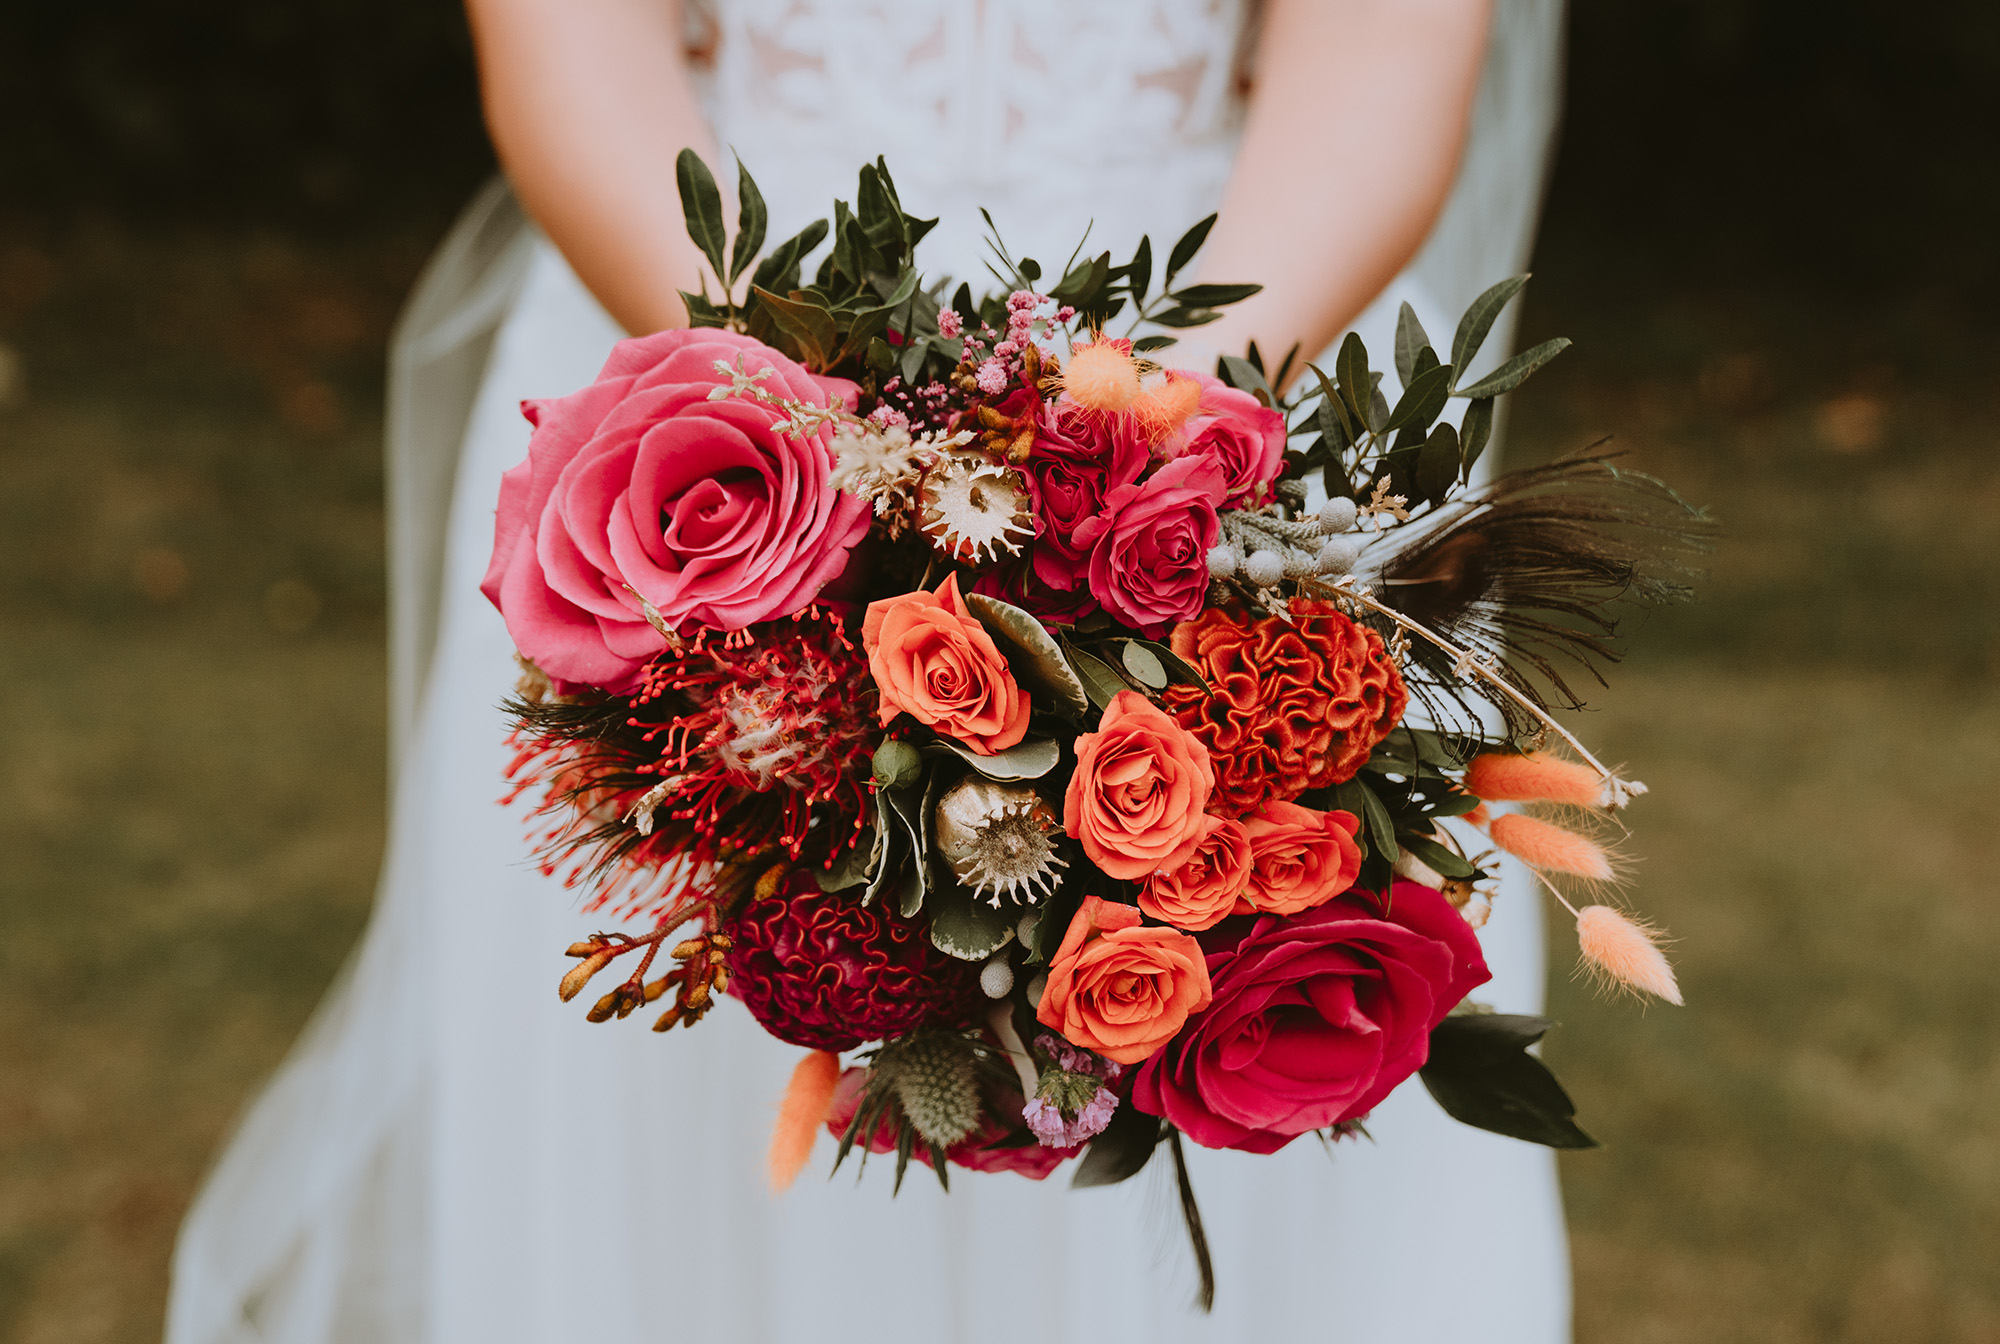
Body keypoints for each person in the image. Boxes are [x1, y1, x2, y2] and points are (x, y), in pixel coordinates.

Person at [167, 2, 1570, 1340]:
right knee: (686, 1103)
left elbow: (1384, 24)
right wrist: (802, 440)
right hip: (694, 363)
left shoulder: (1209, 386)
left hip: (1239, 331)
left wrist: (1152, 445)